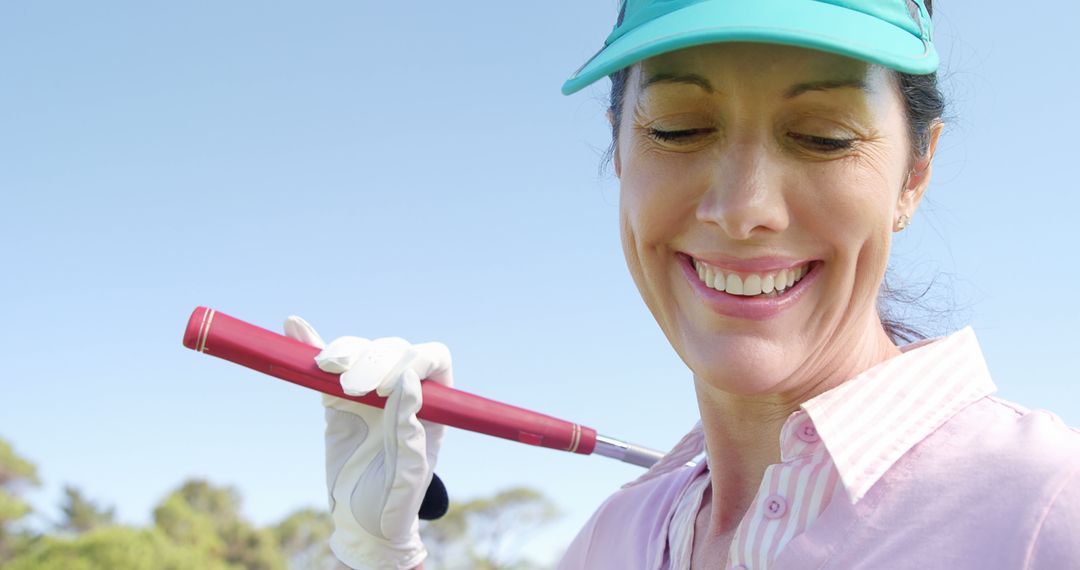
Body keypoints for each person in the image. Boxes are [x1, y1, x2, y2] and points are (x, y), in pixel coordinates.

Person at [285, 1, 1080, 568]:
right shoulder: (610, 542)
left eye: (823, 137)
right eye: (678, 128)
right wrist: (379, 557)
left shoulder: (1053, 511)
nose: (742, 209)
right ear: (620, 149)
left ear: (916, 172)